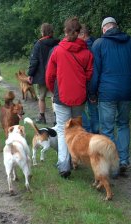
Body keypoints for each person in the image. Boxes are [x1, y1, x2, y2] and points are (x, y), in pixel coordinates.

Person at [90, 17, 131, 174]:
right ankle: (123, 160)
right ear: (116, 27)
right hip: (126, 91)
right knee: (123, 124)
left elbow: (95, 72)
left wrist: (92, 93)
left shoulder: (98, 44)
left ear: (104, 29)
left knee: (107, 129)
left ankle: (113, 165)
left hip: (106, 93)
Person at [45, 17, 93, 178]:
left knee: (61, 128)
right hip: (79, 97)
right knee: (77, 129)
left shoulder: (57, 51)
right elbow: (89, 75)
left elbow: (49, 76)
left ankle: (64, 165)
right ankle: (77, 159)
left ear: (65, 32)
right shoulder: (87, 53)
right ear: (79, 33)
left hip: (62, 95)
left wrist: (54, 91)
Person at [27, 23, 60, 124]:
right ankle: (56, 118)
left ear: (42, 32)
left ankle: (42, 117)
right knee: (53, 96)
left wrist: (30, 74)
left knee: (41, 97)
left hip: (42, 76)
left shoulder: (39, 44)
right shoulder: (57, 43)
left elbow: (34, 60)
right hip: (54, 75)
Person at [78, 24, 99, 134]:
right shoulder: (97, 45)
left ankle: (89, 131)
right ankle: (95, 132)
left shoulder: (85, 48)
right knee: (93, 110)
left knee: (79, 110)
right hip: (94, 84)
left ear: (83, 35)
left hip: (85, 83)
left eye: (78, 35)